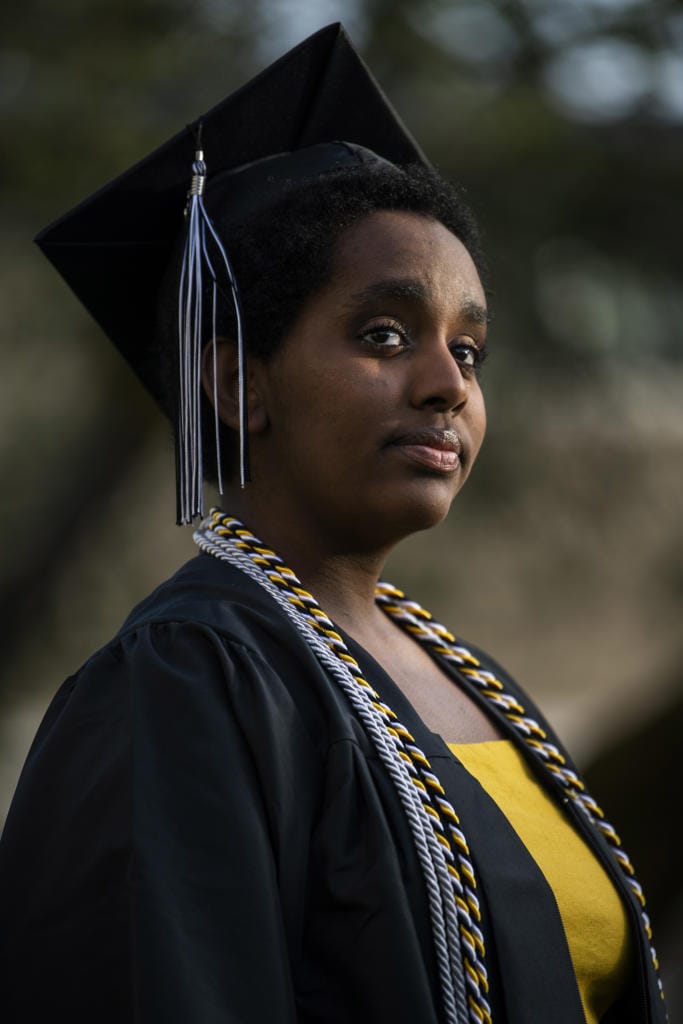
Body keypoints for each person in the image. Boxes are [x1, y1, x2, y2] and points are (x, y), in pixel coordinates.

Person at [0, 23, 667, 1024]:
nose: (447, 385)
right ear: (234, 380)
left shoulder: (470, 678)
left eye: (470, 350)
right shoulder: (186, 681)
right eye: (385, 334)